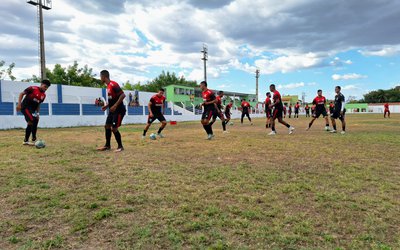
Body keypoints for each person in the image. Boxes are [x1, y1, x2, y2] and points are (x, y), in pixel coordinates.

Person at [97, 70, 126, 152]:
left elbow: (123, 95)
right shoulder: (108, 86)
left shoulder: (113, 84)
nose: (100, 79)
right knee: (107, 126)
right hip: (112, 110)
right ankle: (107, 146)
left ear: (104, 77)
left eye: (100, 77)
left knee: (114, 128)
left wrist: (115, 105)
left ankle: (120, 147)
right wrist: (107, 106)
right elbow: (113, 99)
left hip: (119, 110)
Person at [16, 79, 51, 145]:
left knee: (32, 122)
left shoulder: (43, 95)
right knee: (32, 119)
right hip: (25, 107)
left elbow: (38, 104)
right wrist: (19, 104)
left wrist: (37, 113)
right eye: (45, 86)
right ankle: (34, 137)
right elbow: (21, 94)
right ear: (41, 84)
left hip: (32, 110)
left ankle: (26, 141)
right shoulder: (32, 88)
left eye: (47, 87)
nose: (46, 88)